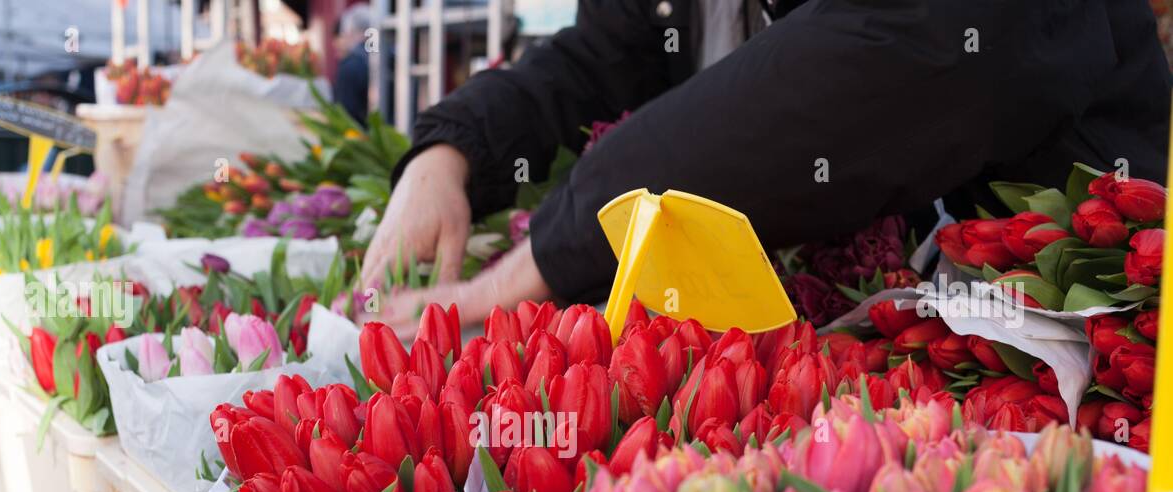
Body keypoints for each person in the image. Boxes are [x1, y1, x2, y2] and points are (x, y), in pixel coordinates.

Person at [360, 0, 1171, 336]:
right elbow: (604, 54)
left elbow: (902, 48)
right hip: (940, 334)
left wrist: (509, 282)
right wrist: (448, 152)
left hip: (1107, 301)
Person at [334, 3, 372, 124]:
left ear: (350, 31)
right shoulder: (393, 60)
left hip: (364, 139)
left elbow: (345, 114)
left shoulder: (350, 65)